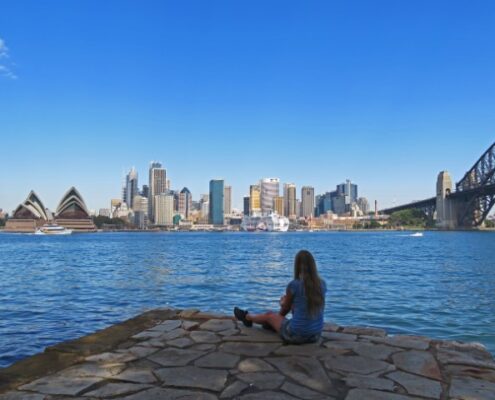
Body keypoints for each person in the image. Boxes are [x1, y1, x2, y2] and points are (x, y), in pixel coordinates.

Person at [234, 250, 326, 344]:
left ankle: (247, 317)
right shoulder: (322, 284)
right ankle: (269, 323)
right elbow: (300, 308)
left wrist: (282, 303)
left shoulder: (294, 285)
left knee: (269, 315)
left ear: (297, 265)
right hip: (315, 335)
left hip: (296, 335)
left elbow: (286, 308)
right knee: (276, 317)